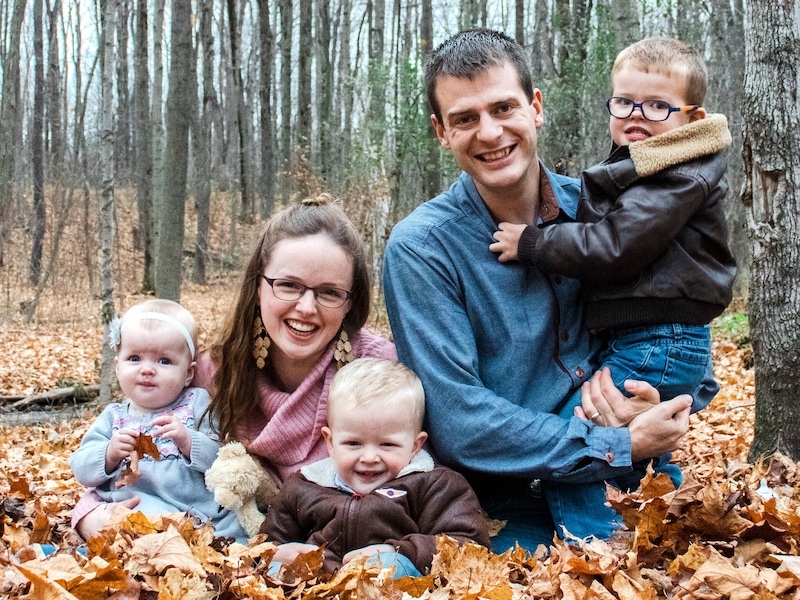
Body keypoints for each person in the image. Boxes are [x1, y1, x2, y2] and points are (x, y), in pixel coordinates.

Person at [382, 28, 698, 551]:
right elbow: (459, 419)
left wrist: (650, 403)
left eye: (504, 107)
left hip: (630, 489)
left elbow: (682, 343)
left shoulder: (611, 214)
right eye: (465, 118)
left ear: (535, 107)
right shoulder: (422, 248)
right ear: (442, 133)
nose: (489, 132)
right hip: (504, 507)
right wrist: (610, 442)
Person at [488, 37, 736, 536]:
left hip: (660, 339)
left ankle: (595, 553)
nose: (636, 116)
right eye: (624, 102)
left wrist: (536, 244)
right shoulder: (649, 166)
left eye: (658, 106)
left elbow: (617, 244)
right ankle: (661, 523)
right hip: (652, 337)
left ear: (692, 117)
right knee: (624, 437)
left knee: (579, 433)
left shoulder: (677, 175)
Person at [72, 193, 396, 539]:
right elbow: (137, 464)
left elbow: (419, 482)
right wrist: (88, 516)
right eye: (288, 285)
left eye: (329, 292)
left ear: (350, 302)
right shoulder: (213, 373)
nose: (306, 307)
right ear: (258, 286)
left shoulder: (379, 370)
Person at [261, 358, 490, 577]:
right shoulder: (304, 487)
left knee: (390, 567)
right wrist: (279, 552)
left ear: (415, 446)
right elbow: (267, 541)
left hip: (399, 588)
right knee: (274, 567)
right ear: (330, 442)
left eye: (387, 444)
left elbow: (468, 543)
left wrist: (401, 552)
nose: (369, 457)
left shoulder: (436, 486)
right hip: (318, 586)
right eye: (353, 443)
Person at [69, 299, 247, 541]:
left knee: (236, 525)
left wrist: (188, 441)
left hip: (198, 509)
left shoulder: (197, 402)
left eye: (164, 361)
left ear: (188, 374)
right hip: (141, 507)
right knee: (140, 520)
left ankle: (231, 556)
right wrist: (109, 454)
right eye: (134, 358)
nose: (147, 370)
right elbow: (81, 468)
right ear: (118, 367)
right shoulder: (114, 417)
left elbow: (221, 460)